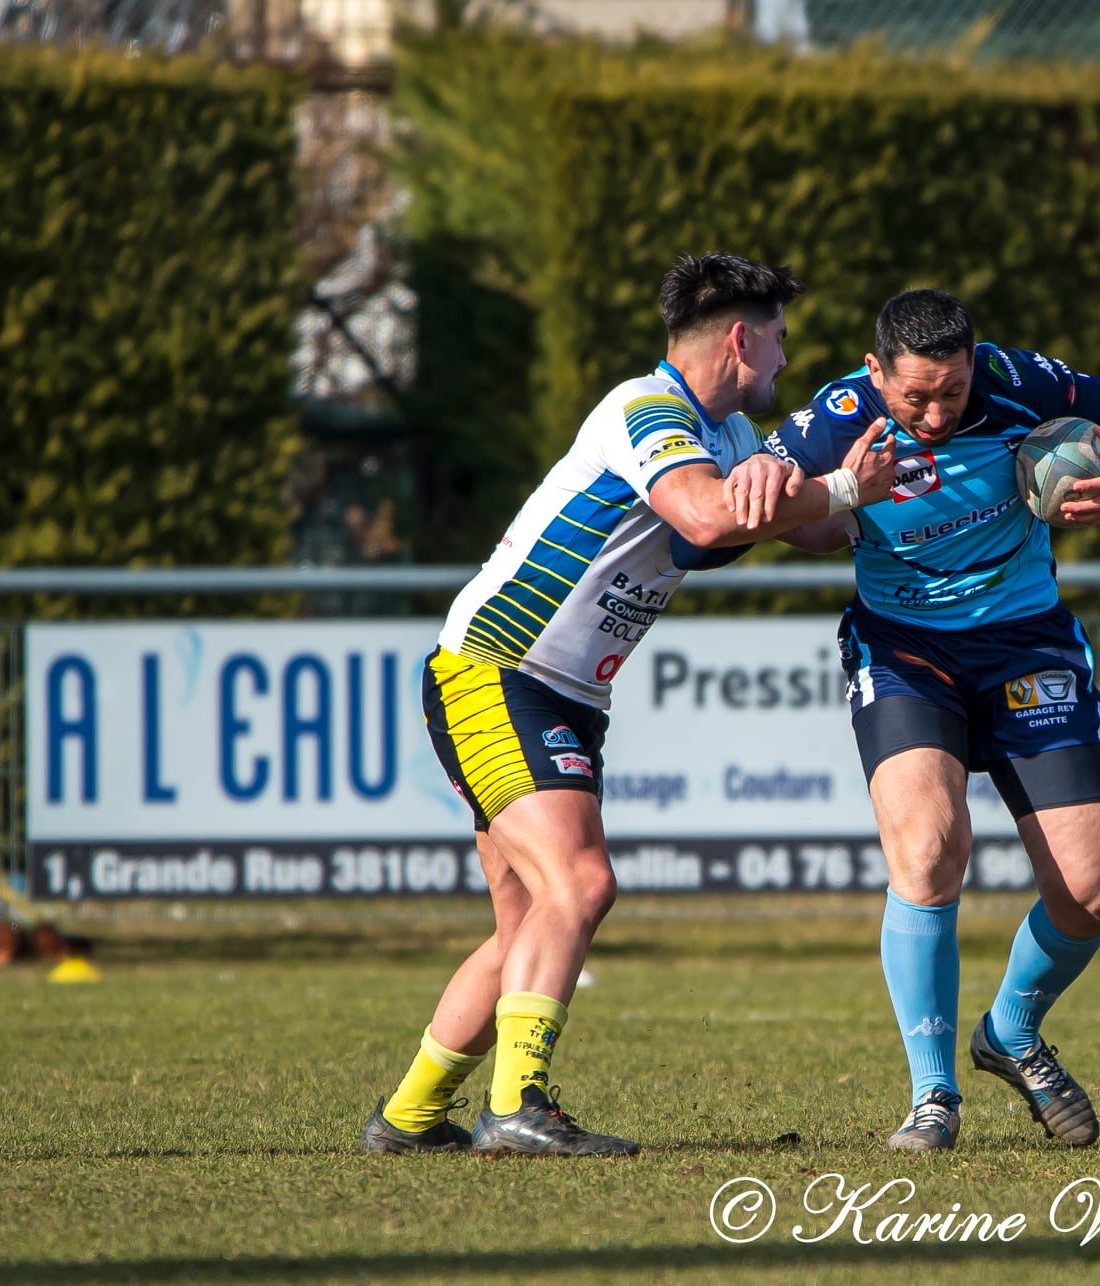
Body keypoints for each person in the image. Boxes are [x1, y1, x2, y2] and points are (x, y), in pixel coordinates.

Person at [359, 253, 896, 1156]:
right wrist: (840, 487)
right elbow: (704, 517)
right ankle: (516, 1106)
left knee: (530, 922)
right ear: (742, 337)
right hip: (498, 668)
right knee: (582, 883)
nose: (786, 364)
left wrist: (908, 493)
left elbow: (799, 520)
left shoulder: (728, 440)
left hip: (560, 691)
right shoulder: (644, 410)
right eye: (781, 342)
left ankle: (410, 1117)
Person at [754, 288, 1100, 1152]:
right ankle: (932, 1096)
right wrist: (834, 500)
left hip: (1025, 643)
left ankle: (1011, 1031)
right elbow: (751, 508)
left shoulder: (1022, 384)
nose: (936, 413)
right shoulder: (835, 420)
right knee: (931, 845)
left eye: (952, 390)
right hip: (905, 651)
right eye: (915, 398)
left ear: (976, 363)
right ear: (874, 374)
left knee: (1091, 885)